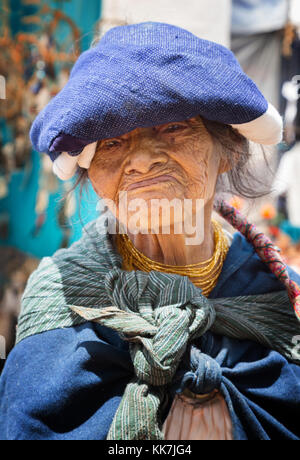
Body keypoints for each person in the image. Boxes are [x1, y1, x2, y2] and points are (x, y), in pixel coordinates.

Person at [0, 22, 300, 441]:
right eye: (112, 142)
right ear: (91, 171)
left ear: (228, 150)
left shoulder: (280, 292)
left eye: (173, 127)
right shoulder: (61, 295)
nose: (140, 161)